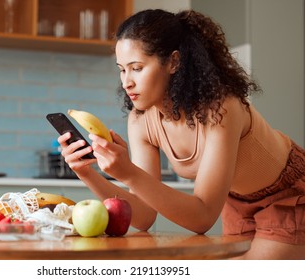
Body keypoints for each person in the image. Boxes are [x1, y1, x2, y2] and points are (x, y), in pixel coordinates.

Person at [58, 9, 305, 259]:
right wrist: (87, 172)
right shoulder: (141, 119)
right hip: (237, 203)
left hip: (288, 195)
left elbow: (203, 217)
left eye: (137, 68)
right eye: (122, 69)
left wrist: (128, 172)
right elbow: (143, 216)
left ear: (173, 62)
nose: (126, 82)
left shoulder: (222, 108)